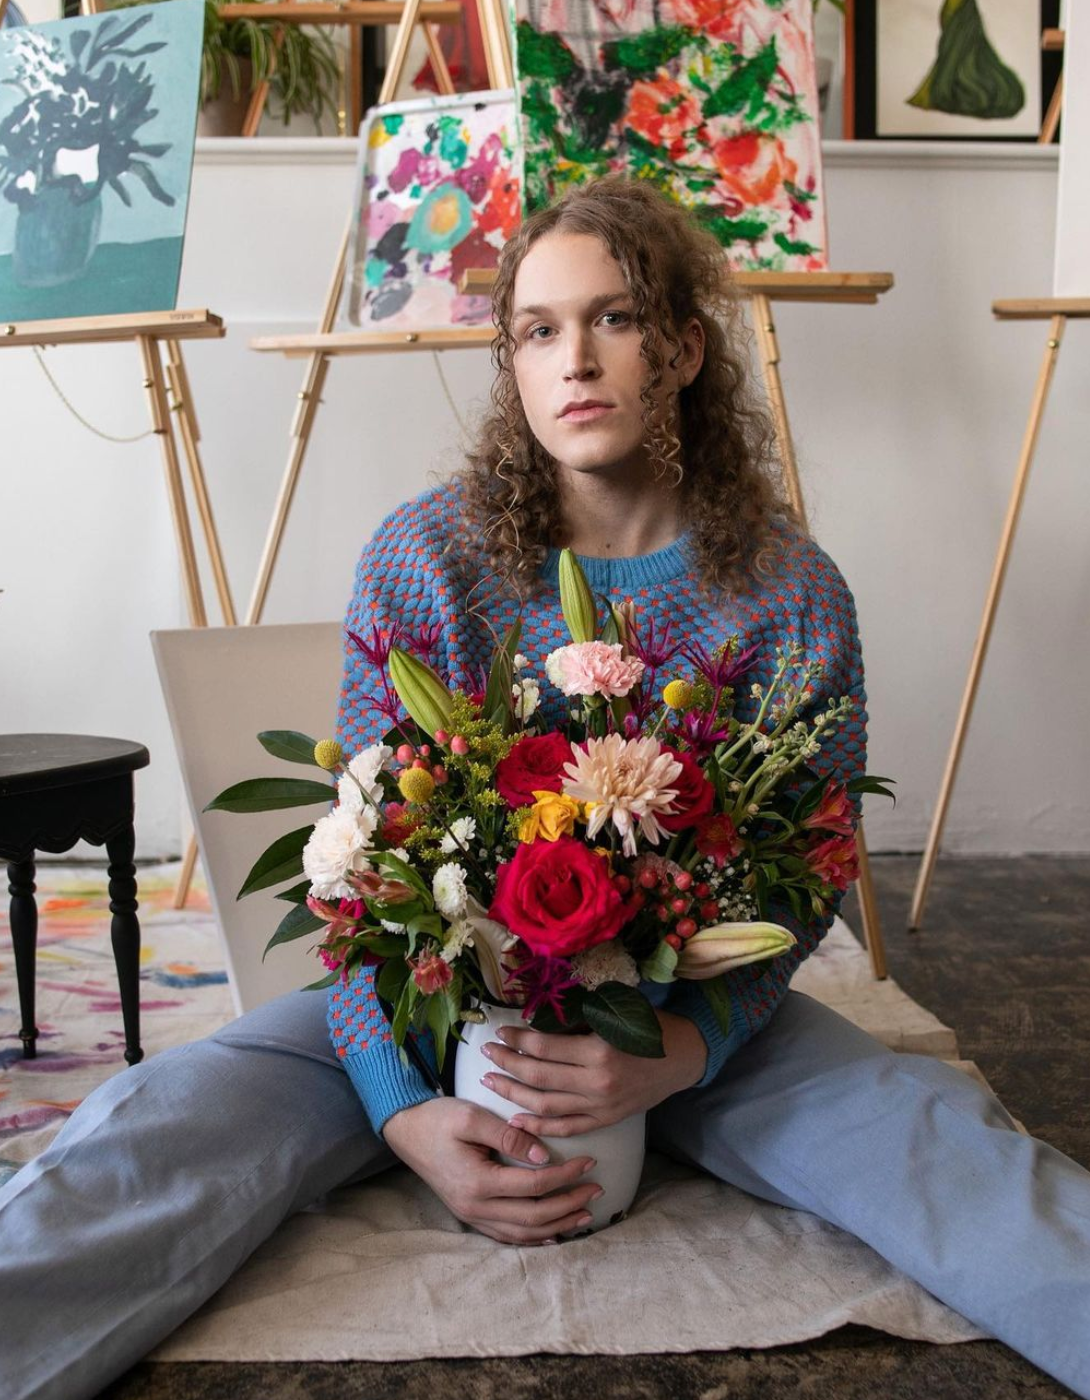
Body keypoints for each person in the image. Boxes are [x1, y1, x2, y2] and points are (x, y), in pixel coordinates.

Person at [1, 178, 1088, 1400]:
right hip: (435, 1009)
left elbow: (811, 872)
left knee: (941, 1143)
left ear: (680, 348)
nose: (574, 357)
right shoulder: (425, 557)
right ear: (510, 362)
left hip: (700, 1021)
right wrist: (403, 1107)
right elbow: (369, 873)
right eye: (536, 328)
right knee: (166, 1125)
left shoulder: (788, 589)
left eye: (614, 319)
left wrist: (685, 1047)